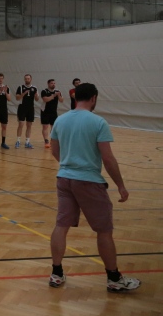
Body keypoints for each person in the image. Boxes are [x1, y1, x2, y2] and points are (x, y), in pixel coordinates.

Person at [48, 83, 141, 293]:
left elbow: (54, 150)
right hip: (89, 181)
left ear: (75, 97)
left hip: (64, 179)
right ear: (93, 98)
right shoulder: (98, 122)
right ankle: (114, 279)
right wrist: (121, 185)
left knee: (61, 226)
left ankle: (56, 273)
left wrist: (68, 165)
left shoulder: (60, 120)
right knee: (104, 231)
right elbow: (108, 158)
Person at [15, 74, 39, 149]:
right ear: (24, 79)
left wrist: (36, 96)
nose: (27, 80)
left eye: (28, 78)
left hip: (30, 108)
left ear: (31, 79)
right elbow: (17, 98)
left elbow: (37, 99)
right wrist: (23, 94)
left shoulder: (34, 88)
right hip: (22, 107)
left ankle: (27, 142)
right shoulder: (20, 87)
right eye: (26, 78)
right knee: (21, 124)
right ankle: (18, 141)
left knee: (29, 125)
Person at [41, 79, 65, 149]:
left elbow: (61, 100)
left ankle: (52, 140)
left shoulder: (57, 91)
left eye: (54, 83)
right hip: (45, 111)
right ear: (48, 84)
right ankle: (46, 141)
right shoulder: (44, 91)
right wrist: (53, 95)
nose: (53, 84)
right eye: (52, 83)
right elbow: (45, 99)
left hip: (53, 112)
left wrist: (59, 95)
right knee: (45, 126)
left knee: (54, 127)